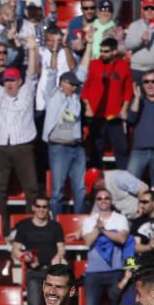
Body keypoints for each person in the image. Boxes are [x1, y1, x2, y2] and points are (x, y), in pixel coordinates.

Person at [0, 33, 41, 230]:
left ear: (19, 81)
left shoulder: (26, 90)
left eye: (13, 80)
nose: (9, 84)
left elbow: (32, 74)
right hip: (0, 146)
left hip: (23, 145)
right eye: (7, 80)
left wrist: (32, 49)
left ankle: (31, 228)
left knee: (31, 188)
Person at [42, 66, 89, 215]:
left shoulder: (75, 97)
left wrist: (89, 46)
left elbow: (83, 71)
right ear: (62, 83)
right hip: (59, 148)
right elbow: (50, 77)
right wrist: (55, 54)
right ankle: (56, 223)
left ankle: (80, 223)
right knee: (58, 190)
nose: (75, 87)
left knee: (80, 188)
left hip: (77, 146)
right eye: (72, 84)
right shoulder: (53, 96)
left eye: (76, 85)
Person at [82, 37, 131, 170]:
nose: (103, 54)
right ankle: (94, 180)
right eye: (101, 51)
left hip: (114, 115)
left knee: (121, 148)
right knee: (95, 150)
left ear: (114, 52)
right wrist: (87, 106)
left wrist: (124, 109)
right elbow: (85, 87)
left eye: (106, 51)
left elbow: (127, 90)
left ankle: (124, 178)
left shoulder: (123, 66)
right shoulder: (93, 64)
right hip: (96, 114)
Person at [12, 195, 66, 305]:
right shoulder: (24, 226)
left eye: (44, 207)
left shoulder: (55, 226)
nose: (41, 209)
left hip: (52, 273)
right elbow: (15, 250)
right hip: (34, 272)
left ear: (48, 209)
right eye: (38, 206)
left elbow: (61, 248)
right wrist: (25, 257)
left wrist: (58, 256)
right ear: (33, 208)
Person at [81, 189, 130, 305]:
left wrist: (103, 230)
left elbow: (122, 238)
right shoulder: (89, 220)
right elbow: (88, 242)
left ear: (111, 200)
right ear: (95, 202)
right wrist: (98, 229)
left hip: (115, 271)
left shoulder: (120, 218)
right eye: (99, 198)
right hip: (93, 273)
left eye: (106, 198)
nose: (103, 200)